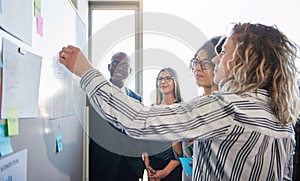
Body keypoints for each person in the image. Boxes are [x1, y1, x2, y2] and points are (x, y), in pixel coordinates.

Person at [59, 22, 299, 180]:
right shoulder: (282, 118)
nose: (215, 61)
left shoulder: (229, 107)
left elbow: (137, 120)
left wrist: (86, 71)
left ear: (244, 60)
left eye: (224, 52)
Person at [174, 36, 226, 181]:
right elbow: (181, 154)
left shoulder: (227, 108)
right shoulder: (191, 106)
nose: (197, 68)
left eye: (205, 63)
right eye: (196, 62)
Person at [88, 52, 145, 181]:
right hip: (103, 166)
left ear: (130, 71)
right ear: (109, 67)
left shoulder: (137, 98)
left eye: (125, 65)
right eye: (116, 63)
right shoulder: (96, 94)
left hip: (131, 167)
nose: (120, 67)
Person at [144, 68, 183, 181]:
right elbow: (146, 138)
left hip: (173, 167)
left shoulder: (182, 109)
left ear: (175, 82)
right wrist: (147, 163)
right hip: (153, 165)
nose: (163, 81)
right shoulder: (151, 109)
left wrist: (165, 172)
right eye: (160, 79)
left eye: (167, 78)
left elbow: (182, 148)